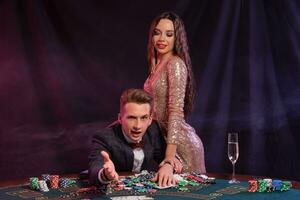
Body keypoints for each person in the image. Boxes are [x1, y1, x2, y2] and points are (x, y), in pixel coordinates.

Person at [144, 11, 206, 176]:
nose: (162, 38)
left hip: (182, 147)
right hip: (163, 143)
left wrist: (170, 158)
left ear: (176, 38)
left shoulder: (175, 64)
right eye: (157, 33)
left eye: (169, 34)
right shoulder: (156, 66)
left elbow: (175, 112)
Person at [88, 89, 178, 186]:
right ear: (120, 118)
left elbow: (165, 158)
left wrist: (168, 166)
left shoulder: (153, 131)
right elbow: (95, 168)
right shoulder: (104, 138)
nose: (138, 126)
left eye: (143, 118)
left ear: (150, 120)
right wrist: (105, 174)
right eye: (131, 117)